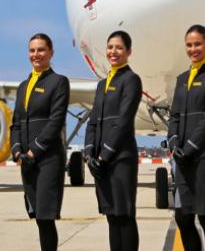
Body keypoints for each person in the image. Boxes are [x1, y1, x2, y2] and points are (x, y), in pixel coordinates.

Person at [167, 24, 205, 251]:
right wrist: (173, 142)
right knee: (183, 217)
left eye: (198, 44)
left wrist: (190, 146)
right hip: (183, 157)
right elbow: (174, 115)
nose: (193, 49)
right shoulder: (182, 79)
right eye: (189, 45)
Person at [84, 30, 143, 251]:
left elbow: (123, 121)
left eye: (119, 47)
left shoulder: (131, 80)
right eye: (110, 47)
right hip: (101, 161)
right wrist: (90, 153)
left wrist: (105, 155)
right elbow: (93, 121)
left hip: (120, 158)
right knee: (111, 215)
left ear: (128, 51)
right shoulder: (102, 85)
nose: (113, 52)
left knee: (124, 214)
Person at [10, 33, 69, 251]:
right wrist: (16, 150)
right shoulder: (23, 86)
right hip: (26, 161)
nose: (36, 54)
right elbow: (16, 122)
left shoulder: (58, 82)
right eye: (32, 50)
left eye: (41, 50)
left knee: (46, 218)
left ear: (51, 53)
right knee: (37, 216)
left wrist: (34, 151)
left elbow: (55, 122)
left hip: (47, 159)